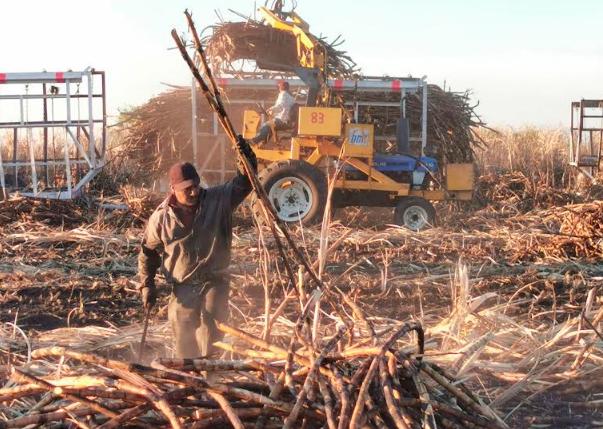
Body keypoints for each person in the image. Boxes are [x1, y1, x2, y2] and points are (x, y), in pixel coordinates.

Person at [137, 136, 257, 358]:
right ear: (173, 189)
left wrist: (245, 158)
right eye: (187, 189)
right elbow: (148, 252)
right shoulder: (161, 219)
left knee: (213, 326)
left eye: (195, 186)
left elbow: (245, 181)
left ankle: (210, 373)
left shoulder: (218, 200)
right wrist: (147, 285)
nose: (193, 192)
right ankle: (188, 378)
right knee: (182, 329)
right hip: (183, 284)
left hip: (215, 278)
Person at [251, 80, 296, 145]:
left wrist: (269, 110)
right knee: (270, 126)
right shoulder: (291, 97)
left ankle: (254, 141)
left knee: (266, 125)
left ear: (280, 87)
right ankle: (263, 142)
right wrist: (271, 112)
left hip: (282, 120)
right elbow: (284, 108)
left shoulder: (283, 94)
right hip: (287, 120)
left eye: (278, 86)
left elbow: (280, 106)